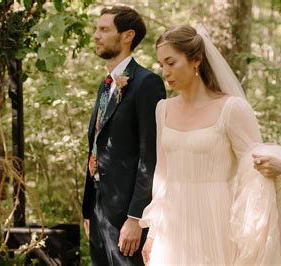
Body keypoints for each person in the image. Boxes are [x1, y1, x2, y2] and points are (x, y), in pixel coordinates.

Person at [139, 25, 281, 265]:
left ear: (196, 60)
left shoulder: (231, 109)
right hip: (172, 225)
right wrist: (153, 232)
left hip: (216, 218)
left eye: (171, 62)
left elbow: (254, 164)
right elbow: (162, 174)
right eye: (161, 64)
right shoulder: (163, 109)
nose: (165, 71)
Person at [82, 6, 166, 265]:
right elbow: (97, 144)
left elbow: (150, 155)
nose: (96, 35)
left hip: (127, 217)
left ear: (127, 35)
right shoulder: (106, 85)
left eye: (104, 29)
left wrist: (136, 217)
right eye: (97, 29)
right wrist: (89, 210)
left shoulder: (147, 83)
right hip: (99, 212)